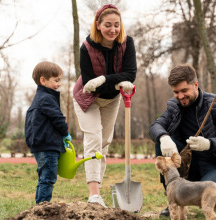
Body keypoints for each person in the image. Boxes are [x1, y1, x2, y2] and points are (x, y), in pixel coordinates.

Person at [149, 64, 216, 217]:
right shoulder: (174, 106)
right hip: (188, 166)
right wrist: (163, 137)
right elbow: (156, 126)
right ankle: (173, 199)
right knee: (161, 142)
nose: (180, 96)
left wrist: (209, 144)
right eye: (176, 92)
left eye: (184, 91)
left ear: (196, 85)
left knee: (210, 191)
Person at [72, 4, 136, 207]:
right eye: (108, 25)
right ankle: (94, 194)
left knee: (104, 143)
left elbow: (130, 74)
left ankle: (97, 188)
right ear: (98, 25)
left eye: (117, 25)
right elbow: (90, 82)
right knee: (94, 138)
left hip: (111, 99)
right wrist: (114, 80)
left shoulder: (127, 43)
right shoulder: (86, 47)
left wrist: (105, 79)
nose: (113, 29)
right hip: (87, 98)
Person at [25, 61, 72, 204]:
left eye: (60, 81)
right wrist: (65, 133)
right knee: (48, 178)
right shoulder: (47, 98)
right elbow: (58, 118)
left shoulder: (39, 98)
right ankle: (42, 209)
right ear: (43, 80)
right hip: (47, 145)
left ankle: (39, 207)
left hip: (40, 144)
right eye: (56, 80)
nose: (58, 84)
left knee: (44, 178)